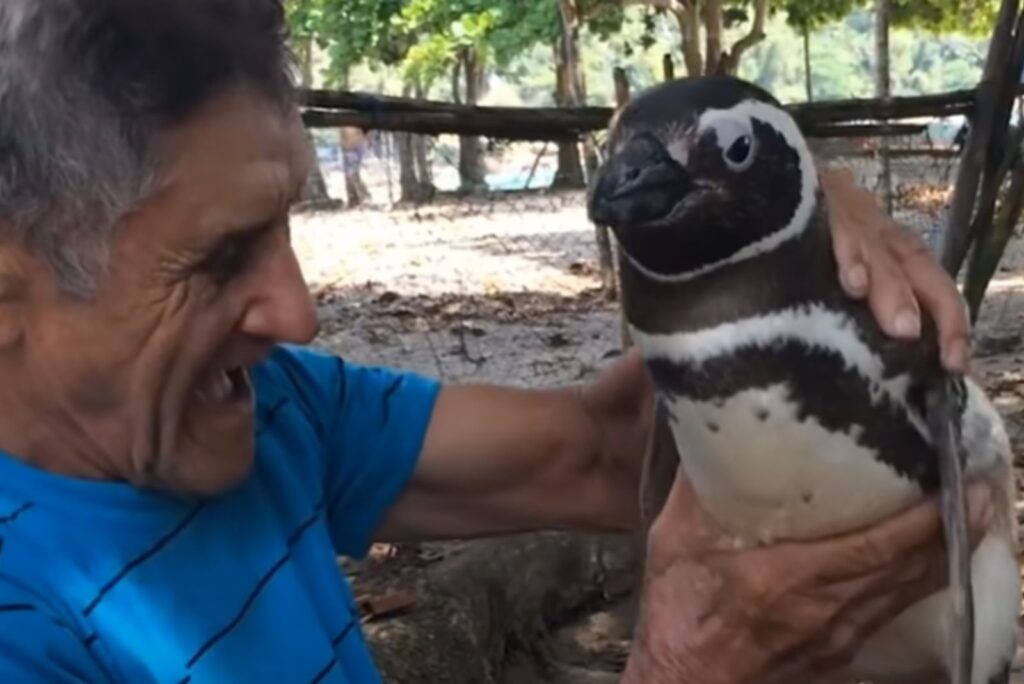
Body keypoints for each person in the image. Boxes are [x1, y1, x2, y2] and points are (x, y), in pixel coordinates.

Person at [0, 1, 984, 683]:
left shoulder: (266, 410)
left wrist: (783, 222)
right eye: (219, 257)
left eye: (283, 225)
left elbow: (601, 454)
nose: (296, 314)